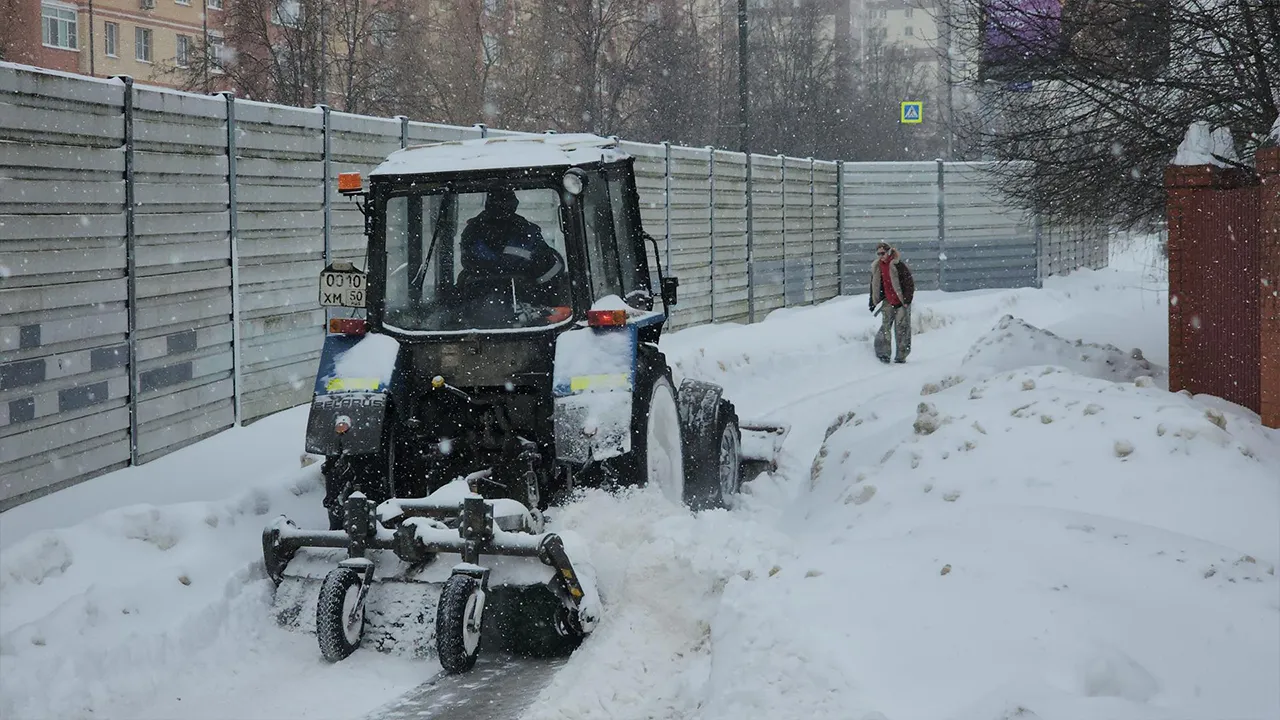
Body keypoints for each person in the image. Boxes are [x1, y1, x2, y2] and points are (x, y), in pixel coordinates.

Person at [458, 188, 569, 308]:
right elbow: (549, 269)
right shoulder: (527, 231)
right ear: (514, 204)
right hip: (524, 303)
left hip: (480, 302)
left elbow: (468, 263)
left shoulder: (472, 230)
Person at [868, 241, 914, 363]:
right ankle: (884, 353)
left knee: (902, 329)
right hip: (888, 300)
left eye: (882, 253)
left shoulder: (898, 265)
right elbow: (874, 285)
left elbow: (909, 283)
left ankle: (901, 356)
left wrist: (906, 300)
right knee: (885, 327)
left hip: (901, 301)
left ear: (888, 252)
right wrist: (873, 301)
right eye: (878, 254)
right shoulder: (877, 267)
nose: (881, 256)